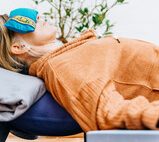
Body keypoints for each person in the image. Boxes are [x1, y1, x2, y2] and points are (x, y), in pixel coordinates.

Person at [1, 12, 159, 132]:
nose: (38, 17)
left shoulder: (69, 54)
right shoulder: (61, 66)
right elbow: (109, 111)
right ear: (18, 48)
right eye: (24, 22)